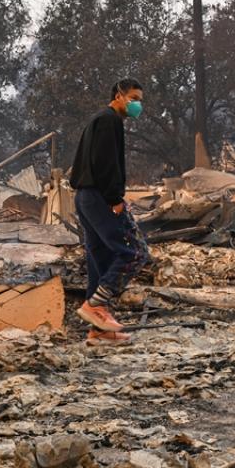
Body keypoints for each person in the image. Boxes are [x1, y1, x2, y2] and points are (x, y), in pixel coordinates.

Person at [69, 78, 151, 343]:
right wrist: (115, 199)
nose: (137, 104)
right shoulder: (109, 120)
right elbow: (106, 164)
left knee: (100, 259)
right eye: (134, 98)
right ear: (118, 96)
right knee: (134, 252)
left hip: (85, 197)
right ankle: (95, 305)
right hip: (99, 197)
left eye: (140, 100)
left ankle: (99, 330)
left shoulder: (98, 120)